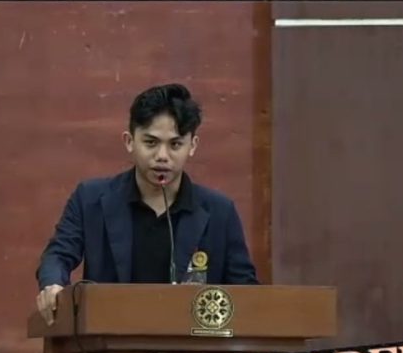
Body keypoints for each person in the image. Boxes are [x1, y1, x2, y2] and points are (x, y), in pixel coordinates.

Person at [35, 83, 258, 324]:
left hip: (190, 342)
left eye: (175, 144)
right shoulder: (90, 199)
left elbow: (247, 292)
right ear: (129, 141)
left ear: (192, 146)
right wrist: (53, 285)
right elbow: (58, 255)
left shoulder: (220, 212)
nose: (162, 156)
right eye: (151, 143)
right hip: (111, 337)